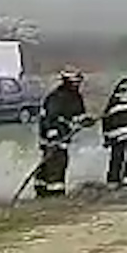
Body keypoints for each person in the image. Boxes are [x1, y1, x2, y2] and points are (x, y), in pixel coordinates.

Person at [35, 67, 91, 199]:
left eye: (78, 82)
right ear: (67, 82)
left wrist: (85, 120)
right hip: (53, 137)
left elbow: (78, 115)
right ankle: (54, 193)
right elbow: (49, 118)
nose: (77, 85)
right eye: (74, 82)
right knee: (56, 163)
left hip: (63, 136)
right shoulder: (56, 97)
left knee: (50, 163)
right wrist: (53, 135)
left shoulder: (75, 97)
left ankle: (43, 190)